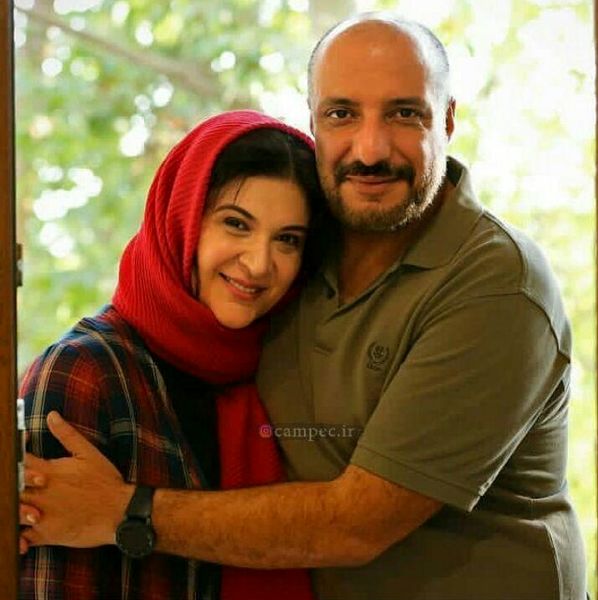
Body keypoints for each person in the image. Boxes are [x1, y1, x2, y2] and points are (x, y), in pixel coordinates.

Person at [20, 13, 588, 600]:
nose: (371, 149)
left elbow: (358, 523)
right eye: (342, 114)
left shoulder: (496, 283)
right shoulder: (295, 261)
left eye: (404, 114)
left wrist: (126, 510)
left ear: (446, 120)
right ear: (313, 120)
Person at [18, 109, 324, 599]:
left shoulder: (280, 373)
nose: (259, 263)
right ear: (181, 219)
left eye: (287, 240)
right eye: (236, 224)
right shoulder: (84, 373)